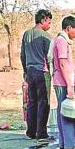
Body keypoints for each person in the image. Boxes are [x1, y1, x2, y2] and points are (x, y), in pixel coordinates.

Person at [52, 16, 75, 149]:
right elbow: (63, 63)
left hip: (62, 81)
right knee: (68, 111)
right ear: (68, 28)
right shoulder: (62, 41)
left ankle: (64, 142)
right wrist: (70, 87)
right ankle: (71, 144)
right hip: (63, 82)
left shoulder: (62, 40)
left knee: (63, 110)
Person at [20, 9, 52, 141]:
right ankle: (41, 133)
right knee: (44, 103)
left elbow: (22, 55)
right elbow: (50, 57)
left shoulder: (26, 34)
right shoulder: (45, 36)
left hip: (30, 71)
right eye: (49, 22)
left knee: (32, 102)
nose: (49, 26)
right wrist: (52, 73)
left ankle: (30, 132)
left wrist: (25, 71)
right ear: (44, 19)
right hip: (42, 72)